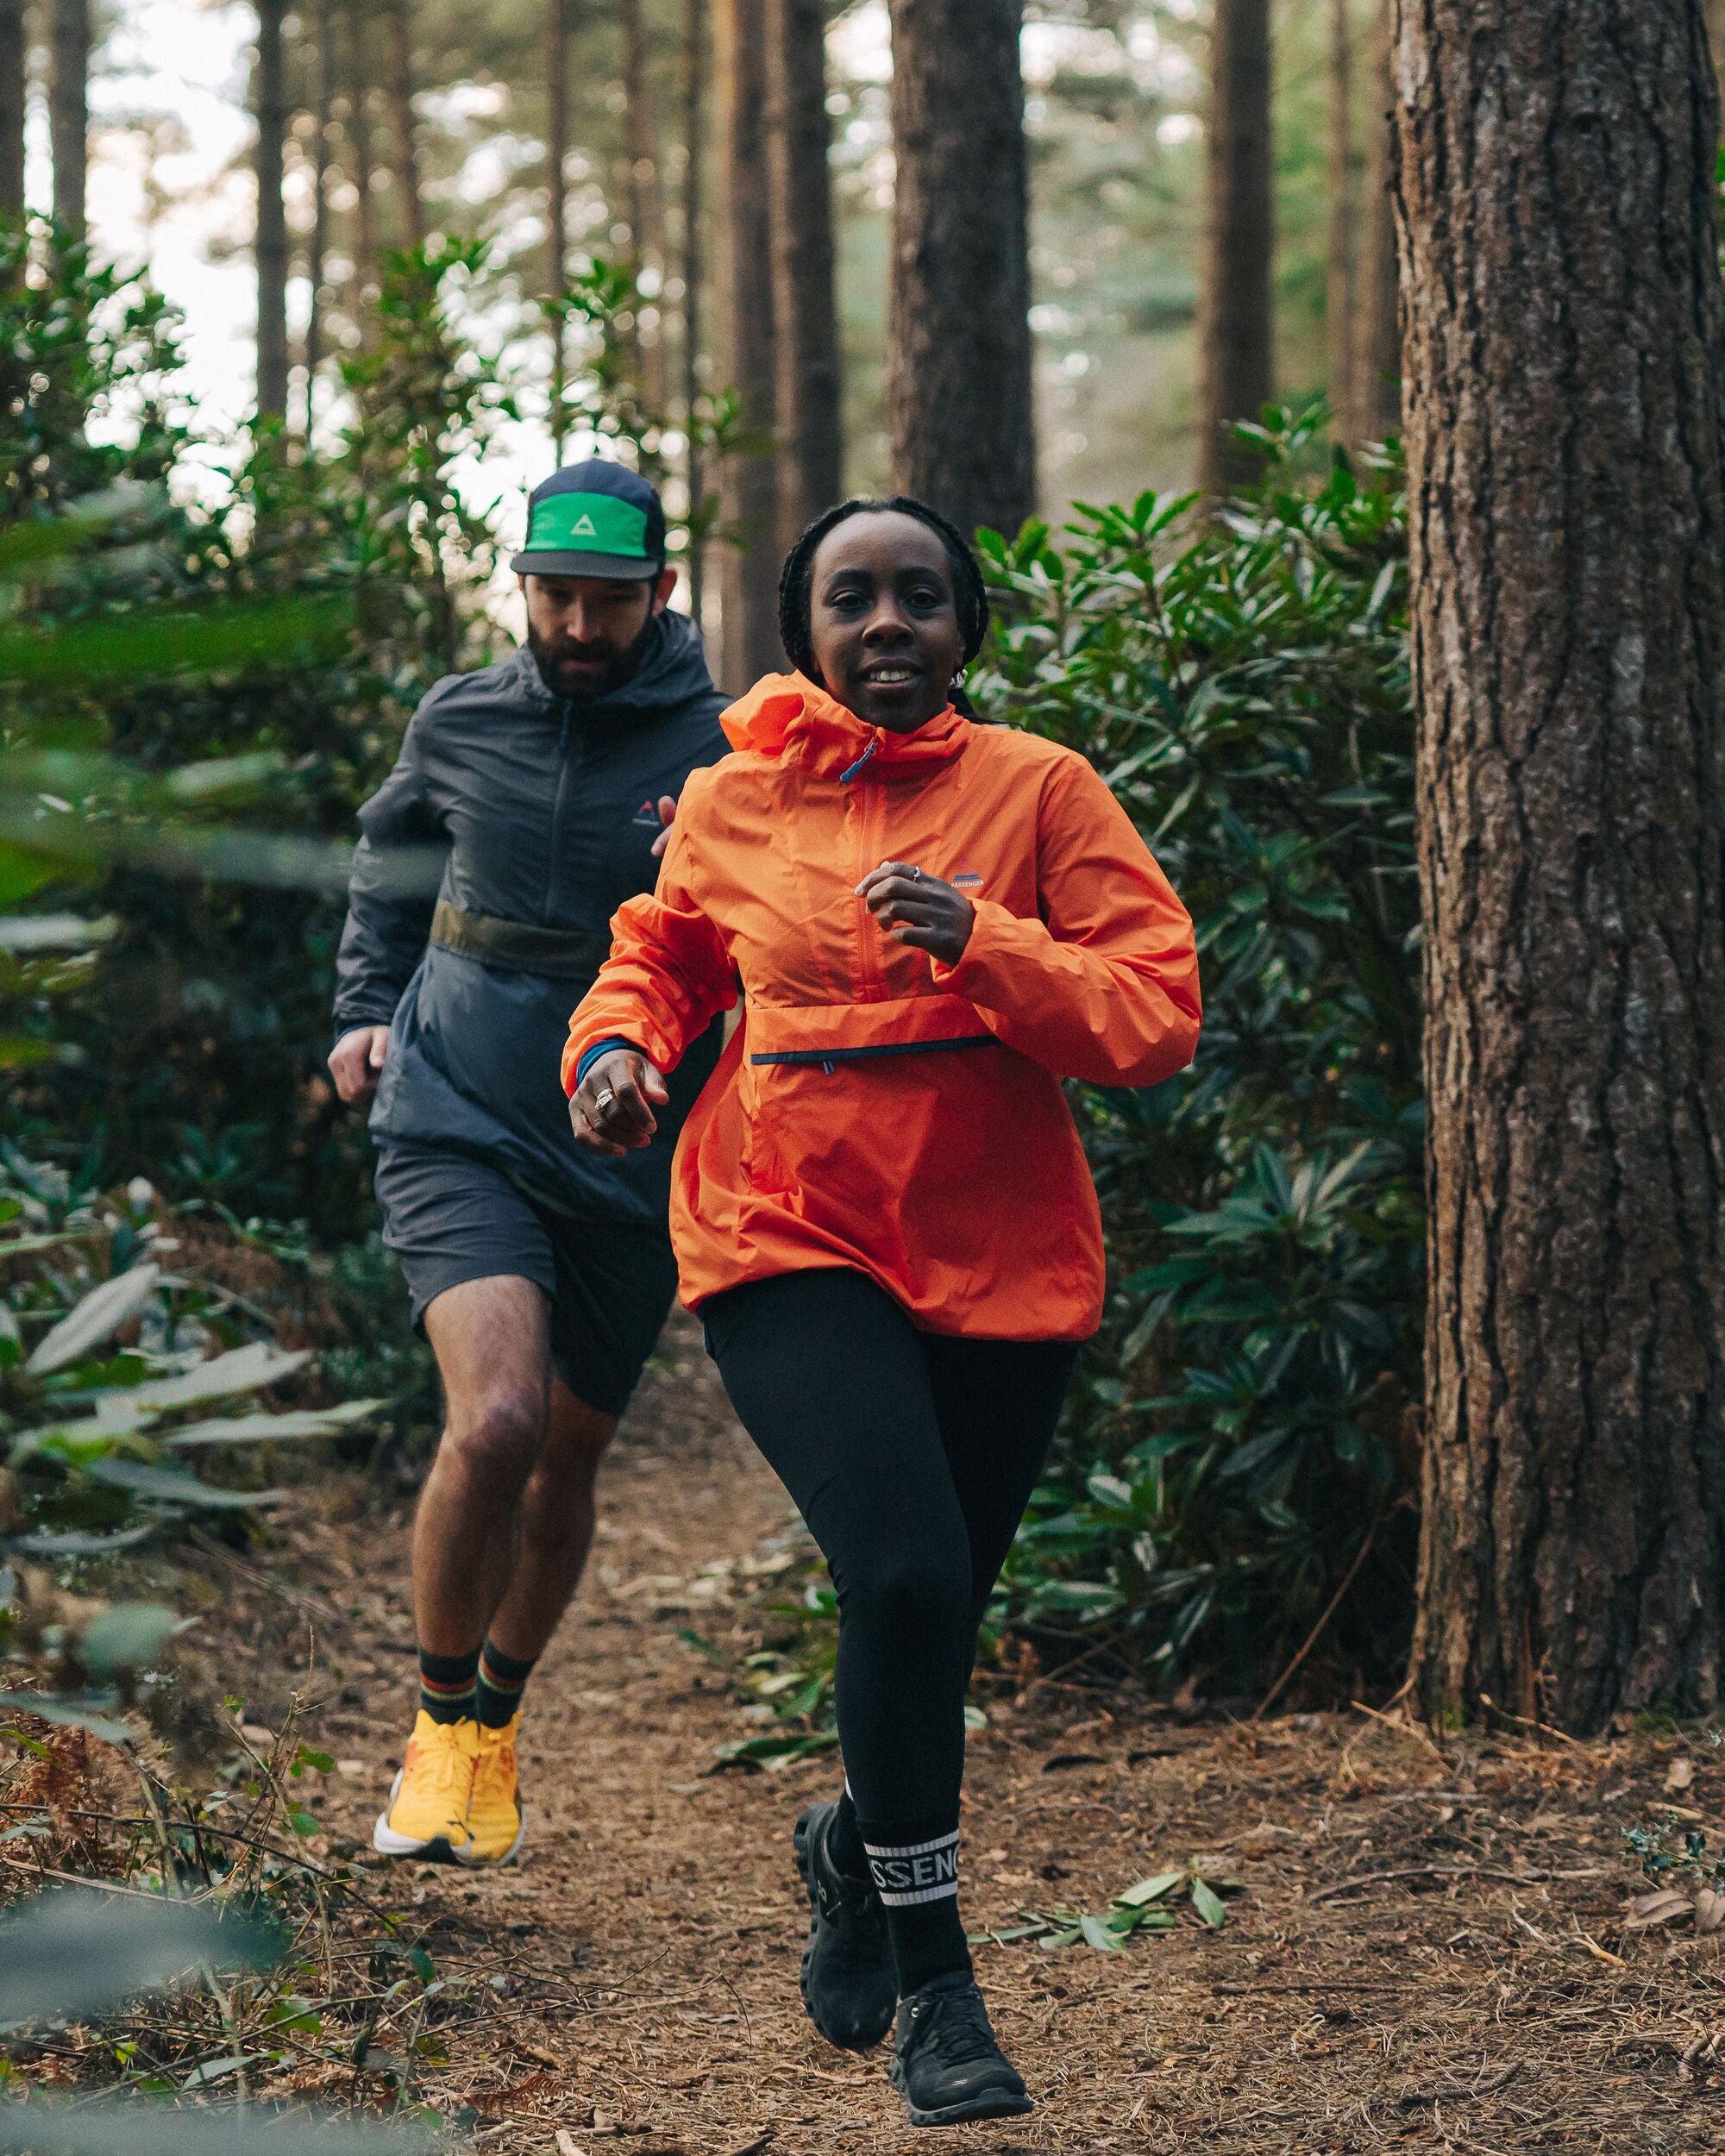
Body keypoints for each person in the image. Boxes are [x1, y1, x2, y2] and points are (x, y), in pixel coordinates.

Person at [561, 496, 1201, 2127]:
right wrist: (617, 1056)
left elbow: (1152, 1017)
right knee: (904, 1570)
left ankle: (853, 1845)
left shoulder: (1041, 792)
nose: (891, 621)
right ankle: (939, 1986)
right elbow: (664, 959)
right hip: (783, 1228)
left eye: (923, 594)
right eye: (855, 597)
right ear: (809, 632)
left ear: (966, 628)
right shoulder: (730, 796)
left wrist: (985, 941)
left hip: (1003, 1258)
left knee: (930, 1615)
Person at [329, 460, 728, 1869]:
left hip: (631, 1152)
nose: (575, 621)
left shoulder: (724, 745)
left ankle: (495, 1719)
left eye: (606, 600)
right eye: (553, 592)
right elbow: (388, 868)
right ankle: (439, 1732)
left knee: (563, 1465)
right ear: (521, 587)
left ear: (659, 595)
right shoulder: (461, 718)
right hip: (458, 1113)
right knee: (493, 1422)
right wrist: (366, 1014)